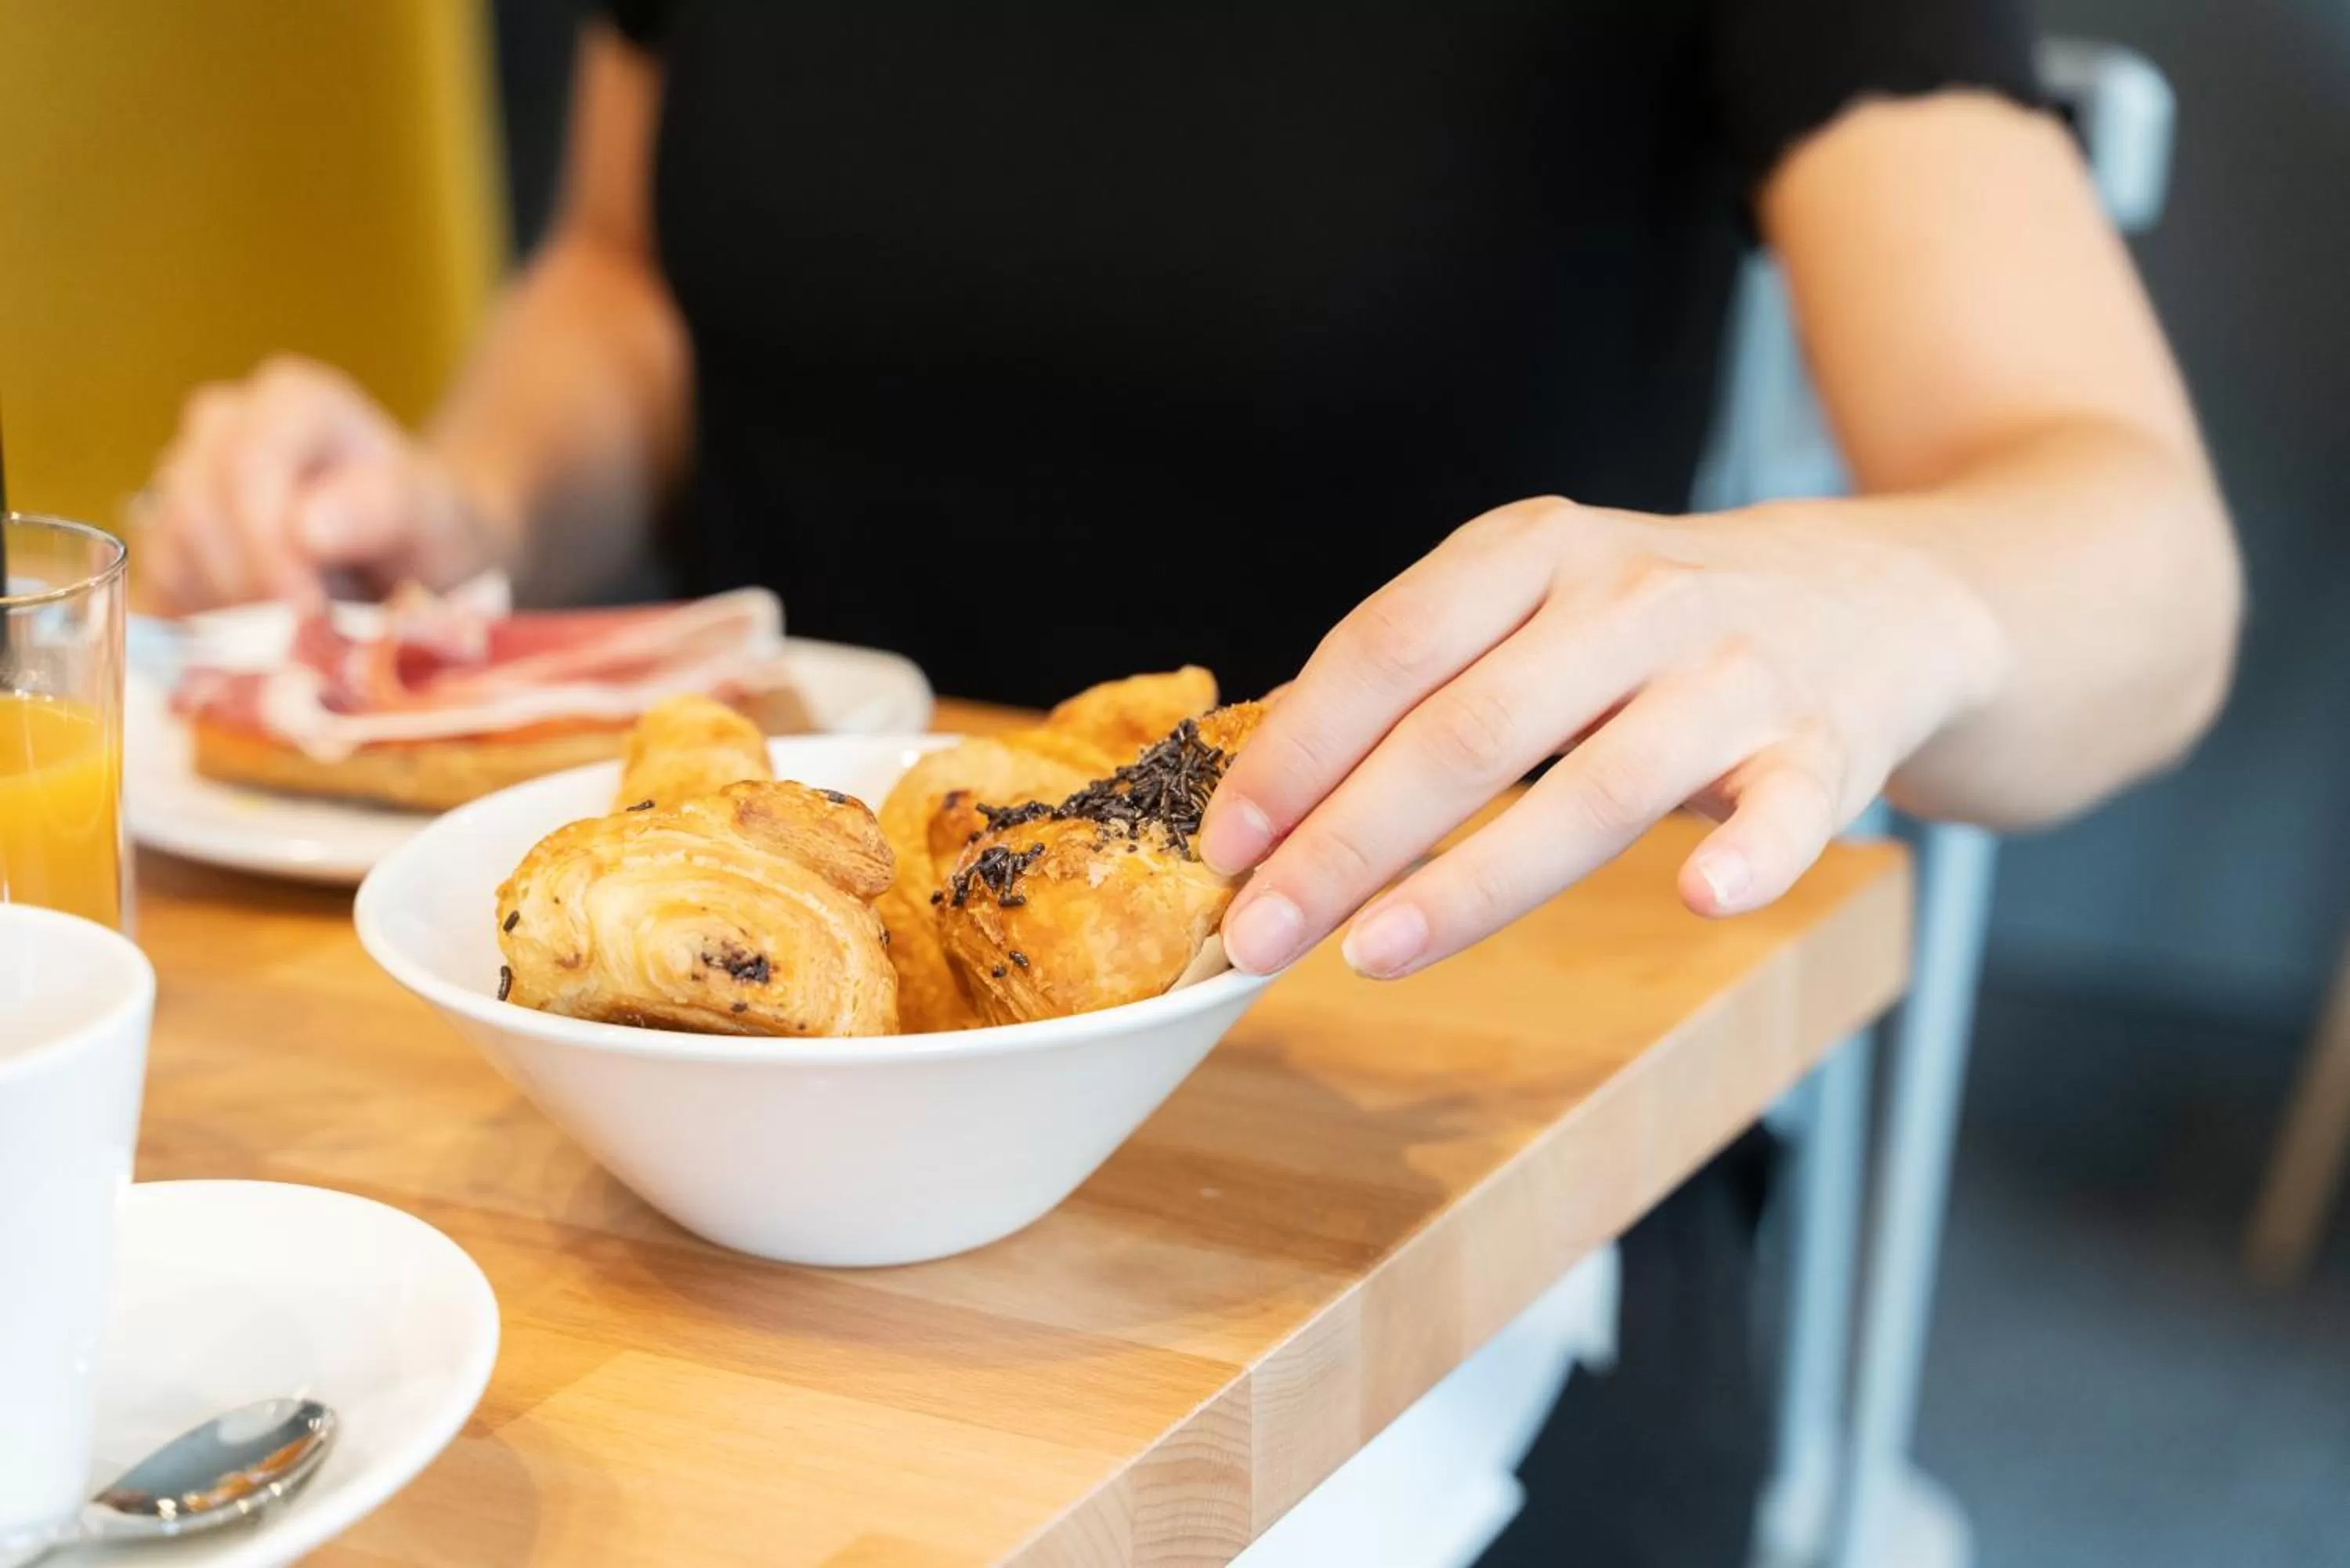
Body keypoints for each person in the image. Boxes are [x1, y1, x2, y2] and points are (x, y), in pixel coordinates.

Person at [141, 2, 2242, 1559]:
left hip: (1432, 1143)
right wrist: (459, 502)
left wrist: (1879, 590)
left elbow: (2141, 560)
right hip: (690, 1149)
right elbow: (626, 283)